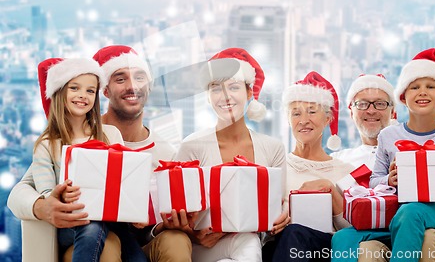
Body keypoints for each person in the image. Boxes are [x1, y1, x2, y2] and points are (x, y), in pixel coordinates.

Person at [8, 45, 191, 262]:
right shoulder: (57, 144)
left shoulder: (166, 152)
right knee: (107, 243)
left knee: (175, 240)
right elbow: (22, 190)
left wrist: (160, 224)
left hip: (136, 239)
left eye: (139, 77)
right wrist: (43, 206)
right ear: (105, 90)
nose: (132, 86)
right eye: (120, 79)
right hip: (86, 235)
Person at [331, 48, 435, 262]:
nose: (422, 92)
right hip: (395, 214)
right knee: (344, 237)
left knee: (412, 212)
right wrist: (389, 180)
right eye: (414, 87)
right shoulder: (388, 136)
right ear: (402, 96)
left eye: (430, 86)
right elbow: (375, 181)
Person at [176, 47, 288, 262]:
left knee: (247, 241)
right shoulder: (191, 146)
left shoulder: (273, 148)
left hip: (255, 246)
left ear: (249, 93)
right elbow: (175, 209)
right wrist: (195, 236)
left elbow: (280, 206)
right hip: (204, 247)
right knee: (247, 242)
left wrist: (284, 217)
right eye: (216, 89)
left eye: (234, 87)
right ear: (208, 97)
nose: (225, 96)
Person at [31, 57, 132, 262]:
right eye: (74, 88)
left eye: (90, 90)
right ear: (60, 92)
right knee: (91, 225)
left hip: (112, 219)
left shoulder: (110, 135)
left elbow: (126, 180)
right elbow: (46, 194)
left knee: (134, 253)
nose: (82, 96)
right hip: (73, 223)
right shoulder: (47, 145)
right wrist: (61, 196)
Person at [262, 71, 355, 262]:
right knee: (290, 233)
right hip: (279, 247)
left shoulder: (345, 170)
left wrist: (331, 190)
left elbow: (351, 230)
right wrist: (273, 223)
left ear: (328, 118)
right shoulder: (276, 166)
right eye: (296, 113)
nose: (303, 120)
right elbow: (261, 224)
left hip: (324, 251)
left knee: (295, 233)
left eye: (312, 111)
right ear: (289, 120)